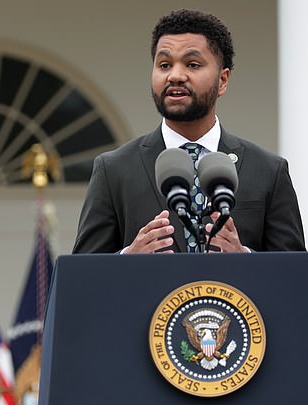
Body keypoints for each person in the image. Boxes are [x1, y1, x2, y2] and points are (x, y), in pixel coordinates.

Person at [73, 9, 305, 254]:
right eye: (164, 65)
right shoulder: (113, 170)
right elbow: (81, 281)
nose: (175, 76)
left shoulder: (269, 171)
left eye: (192, 64)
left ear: (223, 80)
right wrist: (126, 260)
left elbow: (295, 280)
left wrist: (245, 259)